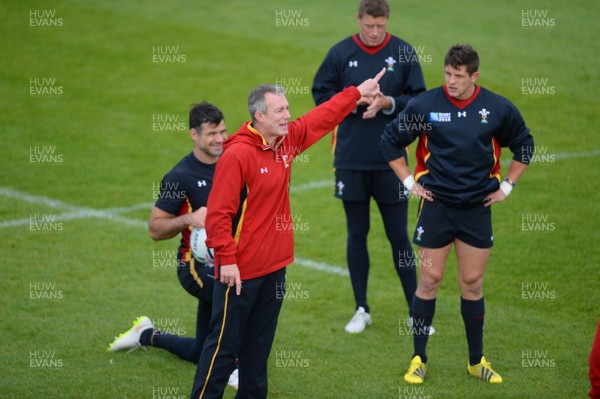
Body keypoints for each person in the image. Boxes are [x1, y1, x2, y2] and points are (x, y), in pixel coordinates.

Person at [190, 70, 384, 399]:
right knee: (223, 351)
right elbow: (219, 214)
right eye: (280, 110)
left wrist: (356, 92)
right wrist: (227, 260)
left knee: (257, 352)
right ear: (259, 116)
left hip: (275, 269)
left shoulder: (285, 141)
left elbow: (319, 119)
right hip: (240, 274)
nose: (288, 115)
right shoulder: (237, 155)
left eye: (287, 108)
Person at [380, 44, 535, 384]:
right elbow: (390, 141)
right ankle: (418, 358)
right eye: (447, 74)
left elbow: (524, 144)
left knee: (472, 283)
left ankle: (476, 361)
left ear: (474, 76)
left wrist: (507, 187)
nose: (450, 81)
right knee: (430, 281)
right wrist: (408, 182)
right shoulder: (424, 105)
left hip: (477, 209)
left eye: (458, 76)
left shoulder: (496, 108)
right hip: (436, 206)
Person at [312, 0, 426, 333]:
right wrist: (354, 100)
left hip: (392, 163)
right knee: (357, 234)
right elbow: (321, 95)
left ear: (387, 20)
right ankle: (361, 308)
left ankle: (416, 312)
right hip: (350, 160)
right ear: (358, 19)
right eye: (369, 25)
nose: (375, 32)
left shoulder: (404, 53)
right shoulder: (339, 53)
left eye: (381, 25)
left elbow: (419, 100)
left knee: (399, 237)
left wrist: (388, 102)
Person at [108, 102, 238, 388]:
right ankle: (231, 365)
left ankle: (146, 334)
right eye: (212, 134)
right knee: (234, 291)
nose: (220, 139)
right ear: (194, 134)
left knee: (198, 352)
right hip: (195, 265)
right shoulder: (179, 177)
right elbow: (155, 229)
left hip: (229, 257)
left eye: (223, 132)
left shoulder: (234, 159)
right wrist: (190, 218)